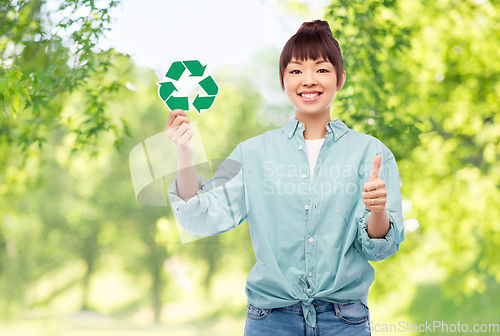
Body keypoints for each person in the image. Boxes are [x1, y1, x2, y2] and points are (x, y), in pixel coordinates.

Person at [166, 19, 404, 336]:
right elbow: (201, 218)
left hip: (344, 322)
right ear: (283, 80)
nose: (308, 80)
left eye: (321, 69)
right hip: (271, 322)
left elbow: (378, 249)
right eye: (296, 71)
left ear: (340, 78)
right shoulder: (253, 154)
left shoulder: (371, 153)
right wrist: (185, 154)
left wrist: (377, 210)